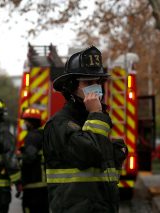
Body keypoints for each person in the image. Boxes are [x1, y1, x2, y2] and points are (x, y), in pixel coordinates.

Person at [43, 45, 128, 213]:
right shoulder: (60, 124)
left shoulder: (91, 121)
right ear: (71, 86)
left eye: (98, 82)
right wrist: (96, 112)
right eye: (88, 83)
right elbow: (89, 154)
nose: (96, 88)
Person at [18, 107, 49, 213]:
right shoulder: (43, 135)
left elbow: (29, 158)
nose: (24, 123)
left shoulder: (32, 136)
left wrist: (20, 157)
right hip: (44, 184)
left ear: (30, 123)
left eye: (25, 121)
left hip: (33, 184)